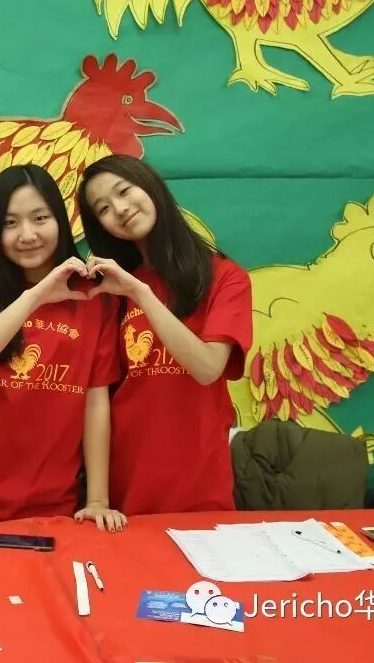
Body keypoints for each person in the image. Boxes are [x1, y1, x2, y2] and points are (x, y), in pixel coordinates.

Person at [0, 165, 125, 529]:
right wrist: (35, 297)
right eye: (10, 223)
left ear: (61, 220)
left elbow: (96, 403)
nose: (27, 234)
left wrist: (98, 500)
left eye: (40, 218)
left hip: (51, 499)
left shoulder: (96, 298)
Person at [79, 154, 253, 516]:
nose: (120, 209)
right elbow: (100, 397)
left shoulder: (225, 278)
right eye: (104, 208)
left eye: (124, 191)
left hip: (199, 480)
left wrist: (140, 292)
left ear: (150, 185)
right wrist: (98, 500)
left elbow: (207, 368)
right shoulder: (112, 290)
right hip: (129, 479)